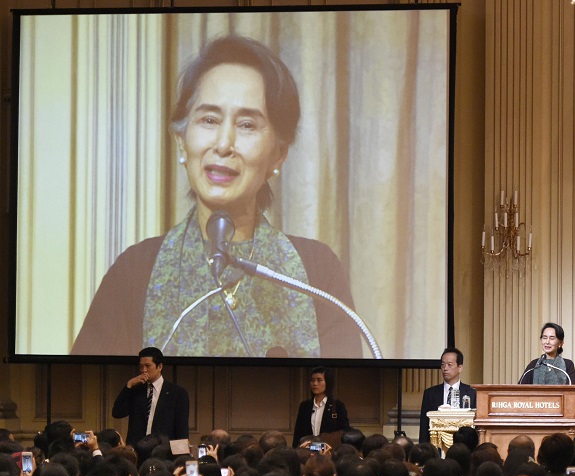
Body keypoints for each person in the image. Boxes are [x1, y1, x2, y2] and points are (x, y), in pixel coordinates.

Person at [71, 35, 362, 358]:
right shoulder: (134, 270)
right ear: (182, 141)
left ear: (279, 154)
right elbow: (94, 383)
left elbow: (339, 391)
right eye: (209, 120)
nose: (224, 144)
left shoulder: (317, 273)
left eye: (247, 124)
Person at [111, 347, 189, 447]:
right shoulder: (136, 390)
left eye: (148, 366)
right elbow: (117, 412)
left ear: (159, 367)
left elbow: (181, 428)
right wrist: (129, 385)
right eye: (141, 366)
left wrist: (181, 454)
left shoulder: (177, 393)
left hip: (163, 451)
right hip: (137, 450)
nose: (144, 370)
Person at [418, 348, 477, 444]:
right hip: (437, 446)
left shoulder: (472, 393)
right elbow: (424, 426)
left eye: (450, 365)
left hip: (465, 448)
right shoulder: (430, 393)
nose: (445, 368)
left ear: (460, 368)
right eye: (443, 365)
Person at [291, 367, 349, 448]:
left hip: (329, 451)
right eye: (312, 380)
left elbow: (344, 432)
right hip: (307, 450)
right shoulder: (305, 405)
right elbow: (298, 433)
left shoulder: (338, 406)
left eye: (319, 380)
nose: (314, 383)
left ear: (327, 382)